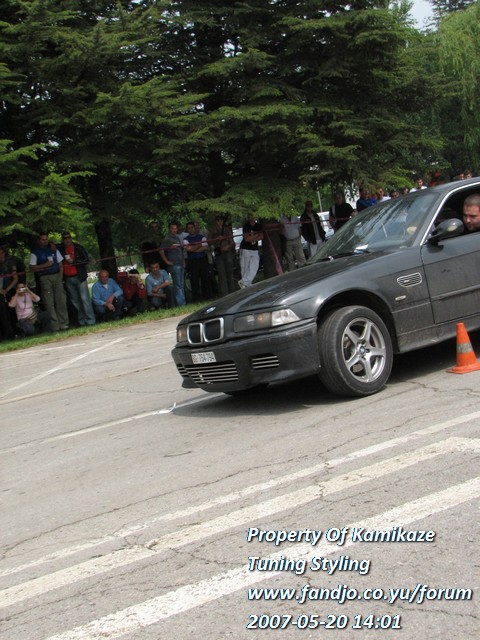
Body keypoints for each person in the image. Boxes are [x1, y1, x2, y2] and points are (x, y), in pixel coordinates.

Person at [29, 232, 69, 331]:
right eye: (42, 240)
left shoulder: (53, 249)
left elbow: (60, 264)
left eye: (46, 239)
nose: (45, 241)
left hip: (56, 275)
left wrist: (60, 276)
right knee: (49, 302)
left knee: (61, 300)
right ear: (39, 241)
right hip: (44, 277)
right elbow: (32, 268)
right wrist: (45, 265)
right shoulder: (35, 252)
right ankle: (55, 326)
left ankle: (64, 324)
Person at [58, 232, 96, 326]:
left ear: (71, 238)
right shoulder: (60, 249)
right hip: (68, 278)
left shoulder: (78, 248)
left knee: (85, 299)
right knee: (75, 301)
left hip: (80, 277)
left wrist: (73, 261)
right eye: (65, 238)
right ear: (62, 240)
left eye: (68, 237)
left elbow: (86, 260)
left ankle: (90, 320)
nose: (67, 240)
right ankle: (81, 320)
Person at [183, 221, 212, 301]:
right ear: (187, 229)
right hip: (193, 261)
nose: (191, 229)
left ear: (195, 228)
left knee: (205, 278)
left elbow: (205, 247)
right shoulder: (185, 240)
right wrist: (199, 245)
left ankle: (207, 296)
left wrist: (194, 249)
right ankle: (196, 298)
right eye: (189, 228)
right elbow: (188, 249)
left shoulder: (202, 237)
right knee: (194, 279)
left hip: (202, 259)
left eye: (192, 228)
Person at [159, 222, 186, 306]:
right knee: (177, 284)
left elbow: (181, 250)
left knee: (181, 284)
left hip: (180, 263)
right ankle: (181, 304)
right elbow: (161, 250)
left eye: (175, 228)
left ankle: (182, 301)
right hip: (174, 264)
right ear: (169, 229)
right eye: (172, 228)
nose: (174, 230)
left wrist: (183, 261)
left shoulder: (177, 238)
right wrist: (166, 261)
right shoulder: (167, 239)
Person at [211, 215, 235, 295]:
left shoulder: (227, 230)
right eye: (218, 220)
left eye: (221, 220)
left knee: (229, 273)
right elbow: (209, 242)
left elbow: (232, 242)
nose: (219, 222)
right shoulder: (213, 231)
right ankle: (225, 293)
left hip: (227, 253)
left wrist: (226, 247)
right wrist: (216, 239)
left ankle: (232, 291)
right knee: (222, 274)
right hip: (218, 254)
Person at [239, 214, 263, 287]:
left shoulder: (258, 226)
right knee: (245, 266)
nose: (252, 218)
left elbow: (261, 236)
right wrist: (256, 235)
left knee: (255, 265)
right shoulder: (246, 226)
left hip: (254, 248)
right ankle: (245, 285)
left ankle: (244, 282)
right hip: (245, 248)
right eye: (251, 216)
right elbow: (246, 239)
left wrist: (252, 238)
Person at [0, 246, 18, 340]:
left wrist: (7, 289)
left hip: (10, 290)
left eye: (1, 252)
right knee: (3, 313)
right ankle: (5, 334)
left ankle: (15, 331)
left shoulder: (10, 263)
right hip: (0, 292)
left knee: (12, 311)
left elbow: (15, 278)